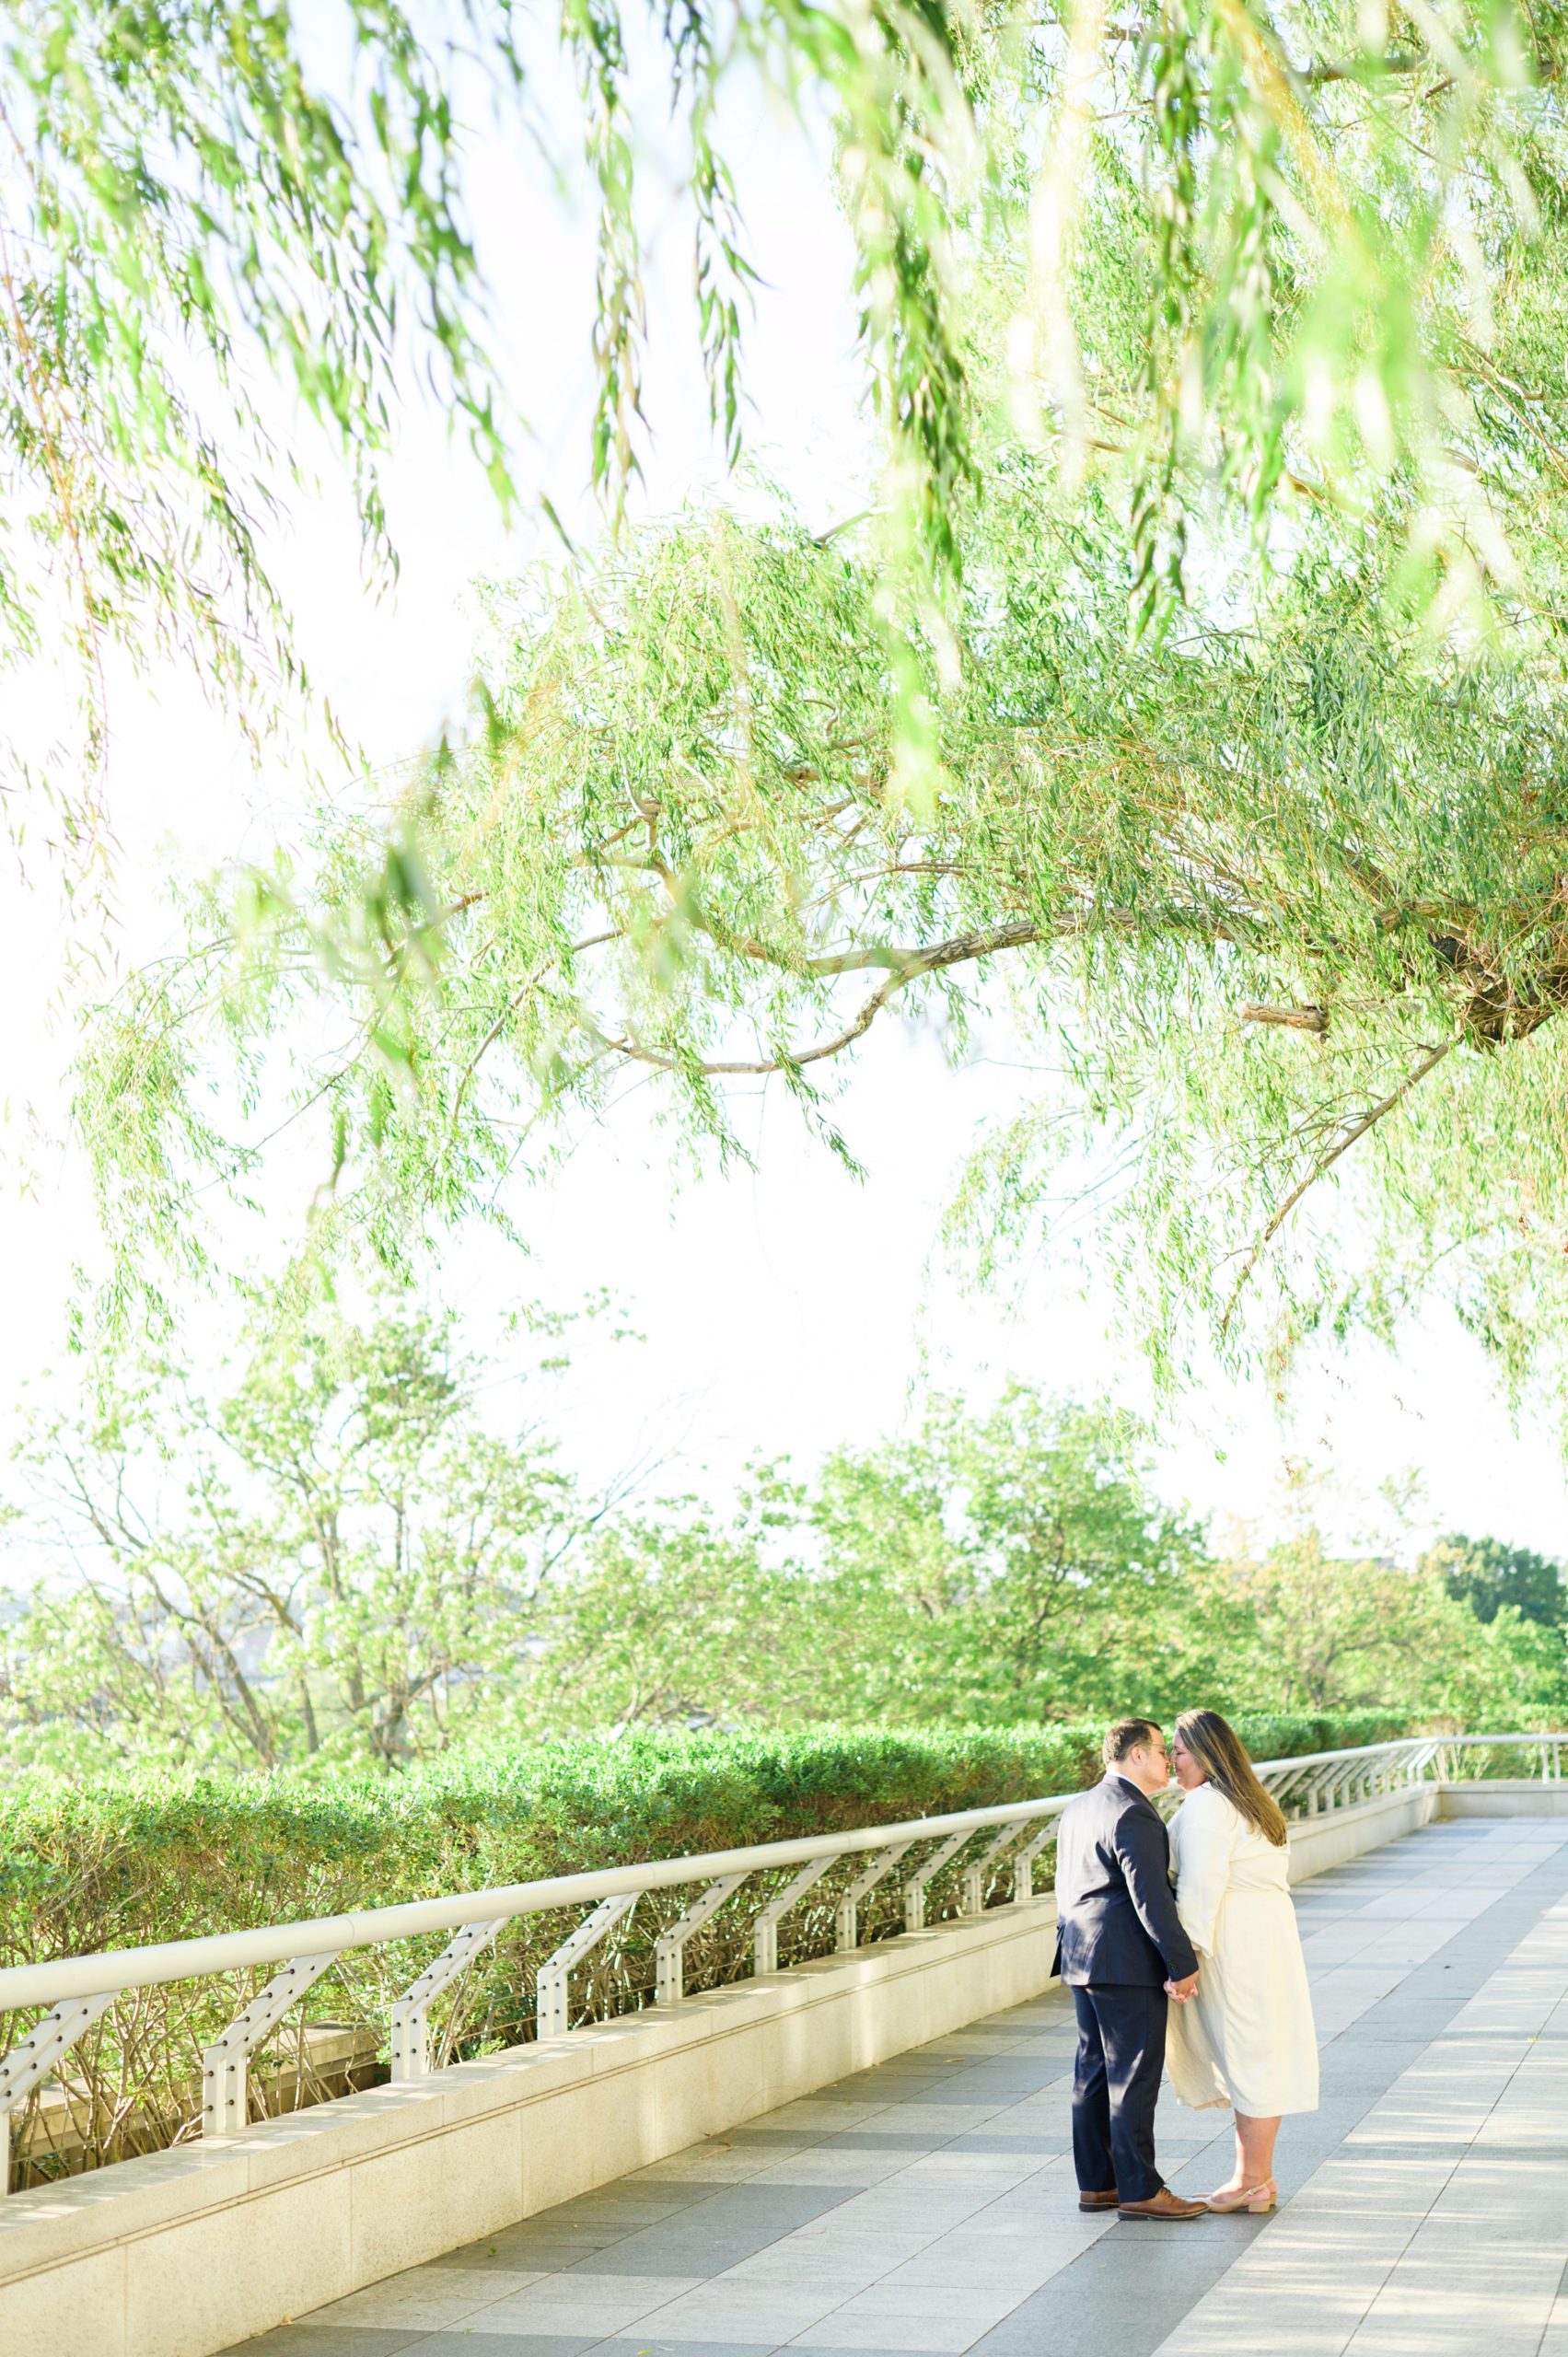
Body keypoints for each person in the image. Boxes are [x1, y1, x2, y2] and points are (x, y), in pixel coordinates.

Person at [1052, 1717, 1208, 2222]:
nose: (1168, 1760)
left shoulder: (1079, 1807)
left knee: (1093, 2074)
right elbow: (1150, 1899)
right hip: (1123, 1962)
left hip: (1080, 1956)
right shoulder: (1133, 1813)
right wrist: (1180, 1963)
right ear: (1136, 1755)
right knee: (1134, 2078)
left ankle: (1099, 2185)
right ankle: (1141, 2189)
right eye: (1163, 1751)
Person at [1165, 1707, 1319, 2214]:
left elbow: (1199, 1887)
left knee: (1246, 2054)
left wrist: (1182, 1962)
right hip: (1267, 1934)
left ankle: (1252, 2179)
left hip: (1234, 1941)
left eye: (1180, 1751)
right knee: (1259, 2050)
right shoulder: (1251, 1800)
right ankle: (1256, 2178)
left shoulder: (1209, 1805)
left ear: (1207, 1754)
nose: (1172, 1760)